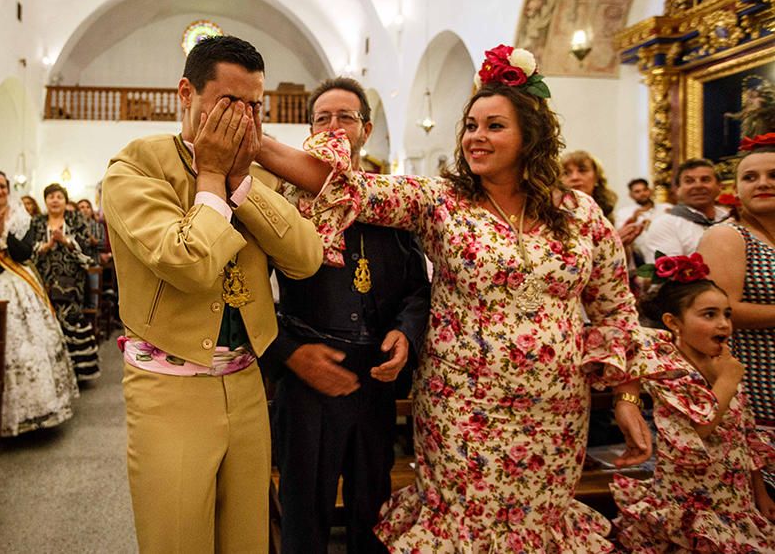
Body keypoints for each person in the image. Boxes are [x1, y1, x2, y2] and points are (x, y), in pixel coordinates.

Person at [258, 44, 674, 551]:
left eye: (494, 126)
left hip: (555, 411)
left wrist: (628, 396)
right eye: (471, 126)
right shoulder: (443, 202)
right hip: (464, 407)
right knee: (464, 527)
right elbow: (344, 185)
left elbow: (615, 306)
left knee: (538, 528)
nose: (476, 137)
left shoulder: (579, 213)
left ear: (530, 135)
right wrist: (251, 141)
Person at [102, 35, 323, 553]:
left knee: (246, 540)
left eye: (253, 106)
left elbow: (305, 257)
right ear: (186, 92)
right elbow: (189, 263)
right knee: (178, 539)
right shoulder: (135, 167)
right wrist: (211, 175)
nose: (242, 119)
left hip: (246, 379)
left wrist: (242, 184)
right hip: (169, 386)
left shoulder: (253, 173)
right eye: (228, 103)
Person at [268, 77, 430, 553]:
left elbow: (418, 289)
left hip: (375, 378)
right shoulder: (280, 205)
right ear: (309, 131)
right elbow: (245, 294)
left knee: (372, 508)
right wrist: (290, 353)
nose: (334, 125)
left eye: (345, 117)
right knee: (304, 511)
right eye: (323, 118)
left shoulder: (392, 204)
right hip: (307, 372)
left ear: (366, 129)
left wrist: (406, 333)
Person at [612, 253, 775, 550]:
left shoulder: (724, 364)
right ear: (674, 323)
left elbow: (745, 435)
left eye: (727, 314)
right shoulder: (670, 371)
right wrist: (727, 381)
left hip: (735, 503)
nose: (724, 324)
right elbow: (697, 431)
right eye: (709, 315)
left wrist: (759, 492)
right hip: (688, 505)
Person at [0, 171, 78, 436]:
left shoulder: (21, 218)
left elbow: (25, 253)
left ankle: (27, 413)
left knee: (21, 344)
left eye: (2, 186)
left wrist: (4, 236)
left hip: (14, 284)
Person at [697, 133, 775, 486]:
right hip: (758, 382)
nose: (763, 183)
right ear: (736, 189)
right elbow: (723, 311)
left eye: (773, 175)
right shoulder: (728, 235)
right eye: (750, 177)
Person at [31, 183, 100, 382]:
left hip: (71, 278)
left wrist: (66, 241)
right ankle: (52, 371)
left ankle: (77, 371)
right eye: (50, 196)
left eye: (59, 196)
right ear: (45, 200)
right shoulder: (37, 221)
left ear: (65, 200)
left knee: (70, 317)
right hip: (44, 276)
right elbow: (29, 247)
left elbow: (86, 245)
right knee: (47, 319)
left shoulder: (75, 219)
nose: (54, 200)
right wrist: (46, 245)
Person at [641, 159, 729, 262]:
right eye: (689, 181)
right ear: (677, 189)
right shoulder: (665, 224)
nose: (698, 186)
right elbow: (667, 273)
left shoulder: (730, 218)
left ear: (719, 186)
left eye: (705, 180)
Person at [615, 178, 672, 263]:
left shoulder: (666, 208)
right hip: (642, 261)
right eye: (637, 191)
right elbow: (620, 238)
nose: (642, 193)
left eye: (644, 190)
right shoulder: (624, 213)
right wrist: (633, 219)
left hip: (669, 254)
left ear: (650, 191)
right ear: (631, 195)